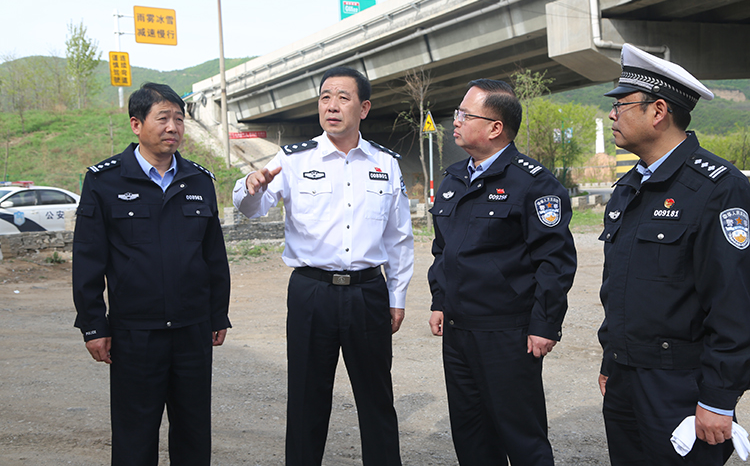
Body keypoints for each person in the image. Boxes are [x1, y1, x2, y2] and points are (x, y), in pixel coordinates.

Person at [233, 66, 413, 466]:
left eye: (343, 97)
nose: (331, 106)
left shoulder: (385, 164)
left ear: (363, 108)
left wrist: (396, 296)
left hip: (368, 292)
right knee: (306, 400)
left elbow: (399, 238)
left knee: (377, 400)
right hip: (311, 291)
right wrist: (250, 188)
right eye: (325, 97)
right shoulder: (294, 159)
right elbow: (253, 208)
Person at [597, 43, 750, 465]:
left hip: (681, 385)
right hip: (627, 378)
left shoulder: (718, 187)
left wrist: (719, 399)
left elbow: (734, 301)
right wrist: (612, 361)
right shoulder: (630, 186)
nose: (612, 114)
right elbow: (621, 288)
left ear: (658, 110)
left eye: (622, 104)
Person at [72, 82, 231, 466]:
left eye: (179, 119)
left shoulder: (198, 180)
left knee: (194, 433)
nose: (173, 126)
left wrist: (217, 313)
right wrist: (95, 325)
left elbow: (214, 257)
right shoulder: (104, 181)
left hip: (192, 331)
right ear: (136, 124)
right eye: (163, 118)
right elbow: (88, 259)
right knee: (134, 436)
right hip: (135, 333)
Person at [427, 79, 577, 465]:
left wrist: (545, 323)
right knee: (472, 436)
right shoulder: (455, 178)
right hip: (459, 332)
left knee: (522, 438)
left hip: (507, 334)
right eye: (457, 113)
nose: (455, 121)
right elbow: (443, 249)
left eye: (464, 114)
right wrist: (440, 300)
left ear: (495, 128)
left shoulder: (533, 184)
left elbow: (555, 259)